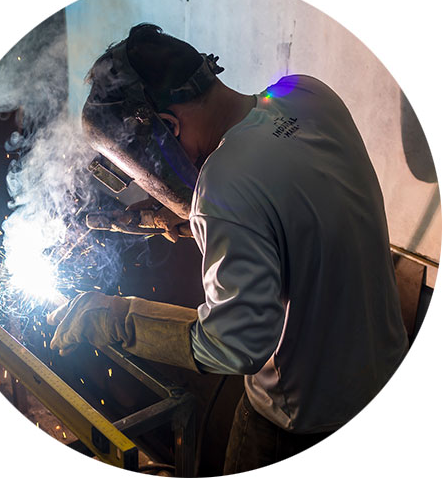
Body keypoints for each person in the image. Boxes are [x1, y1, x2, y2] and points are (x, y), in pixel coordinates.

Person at [48, 23, 409, 474]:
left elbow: (234, 346)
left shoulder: (224, 186)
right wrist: (174, 216)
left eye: (142, 168)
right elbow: (281, 201)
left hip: (300, 425)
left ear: (166, 125)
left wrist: (115, 319)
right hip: (385, 382)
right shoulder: (307, 94)